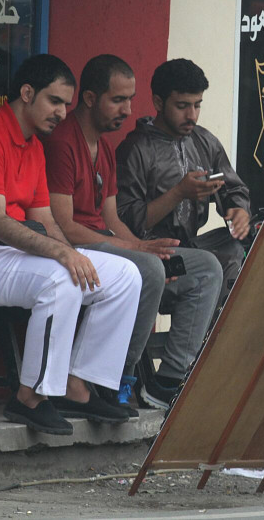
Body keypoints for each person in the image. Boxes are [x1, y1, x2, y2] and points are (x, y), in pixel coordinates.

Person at [0, 54, 140, 435]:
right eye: (54, 101)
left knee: (125, 274)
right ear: (27, 93)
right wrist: (62, 254)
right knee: (59, 279)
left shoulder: (35, 146)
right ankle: (30, 398)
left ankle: (77, 385)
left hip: (8, 254)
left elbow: (45, 220)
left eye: (66, 104)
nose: (61, 113)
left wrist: (72, 253)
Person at [44, 54, 223, 409]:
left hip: (106, 245)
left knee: (205, 268)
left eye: (129, 99)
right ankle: (118, 378)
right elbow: (63, 227)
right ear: (90, 98)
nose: (128, 110)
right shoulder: (63, 142)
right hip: (75, 250)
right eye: (118, 100)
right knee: (150, 268)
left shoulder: (104, 147)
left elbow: (111, 217)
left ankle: (168, 380)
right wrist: (138, 251)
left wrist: (142, 245)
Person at [116, 58, 251, 308]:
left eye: (197, 105)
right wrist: (178, 193)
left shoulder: (204, 141)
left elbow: (233, 187)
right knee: (209, 267)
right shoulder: (136, 149)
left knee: (241, 246)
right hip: (152, 253)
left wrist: (238, 210)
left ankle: (217, 330)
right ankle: (204, 332)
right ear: (158, 102)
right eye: (182, 106)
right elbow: (125, 221)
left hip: (191, 246)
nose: (192, 116)